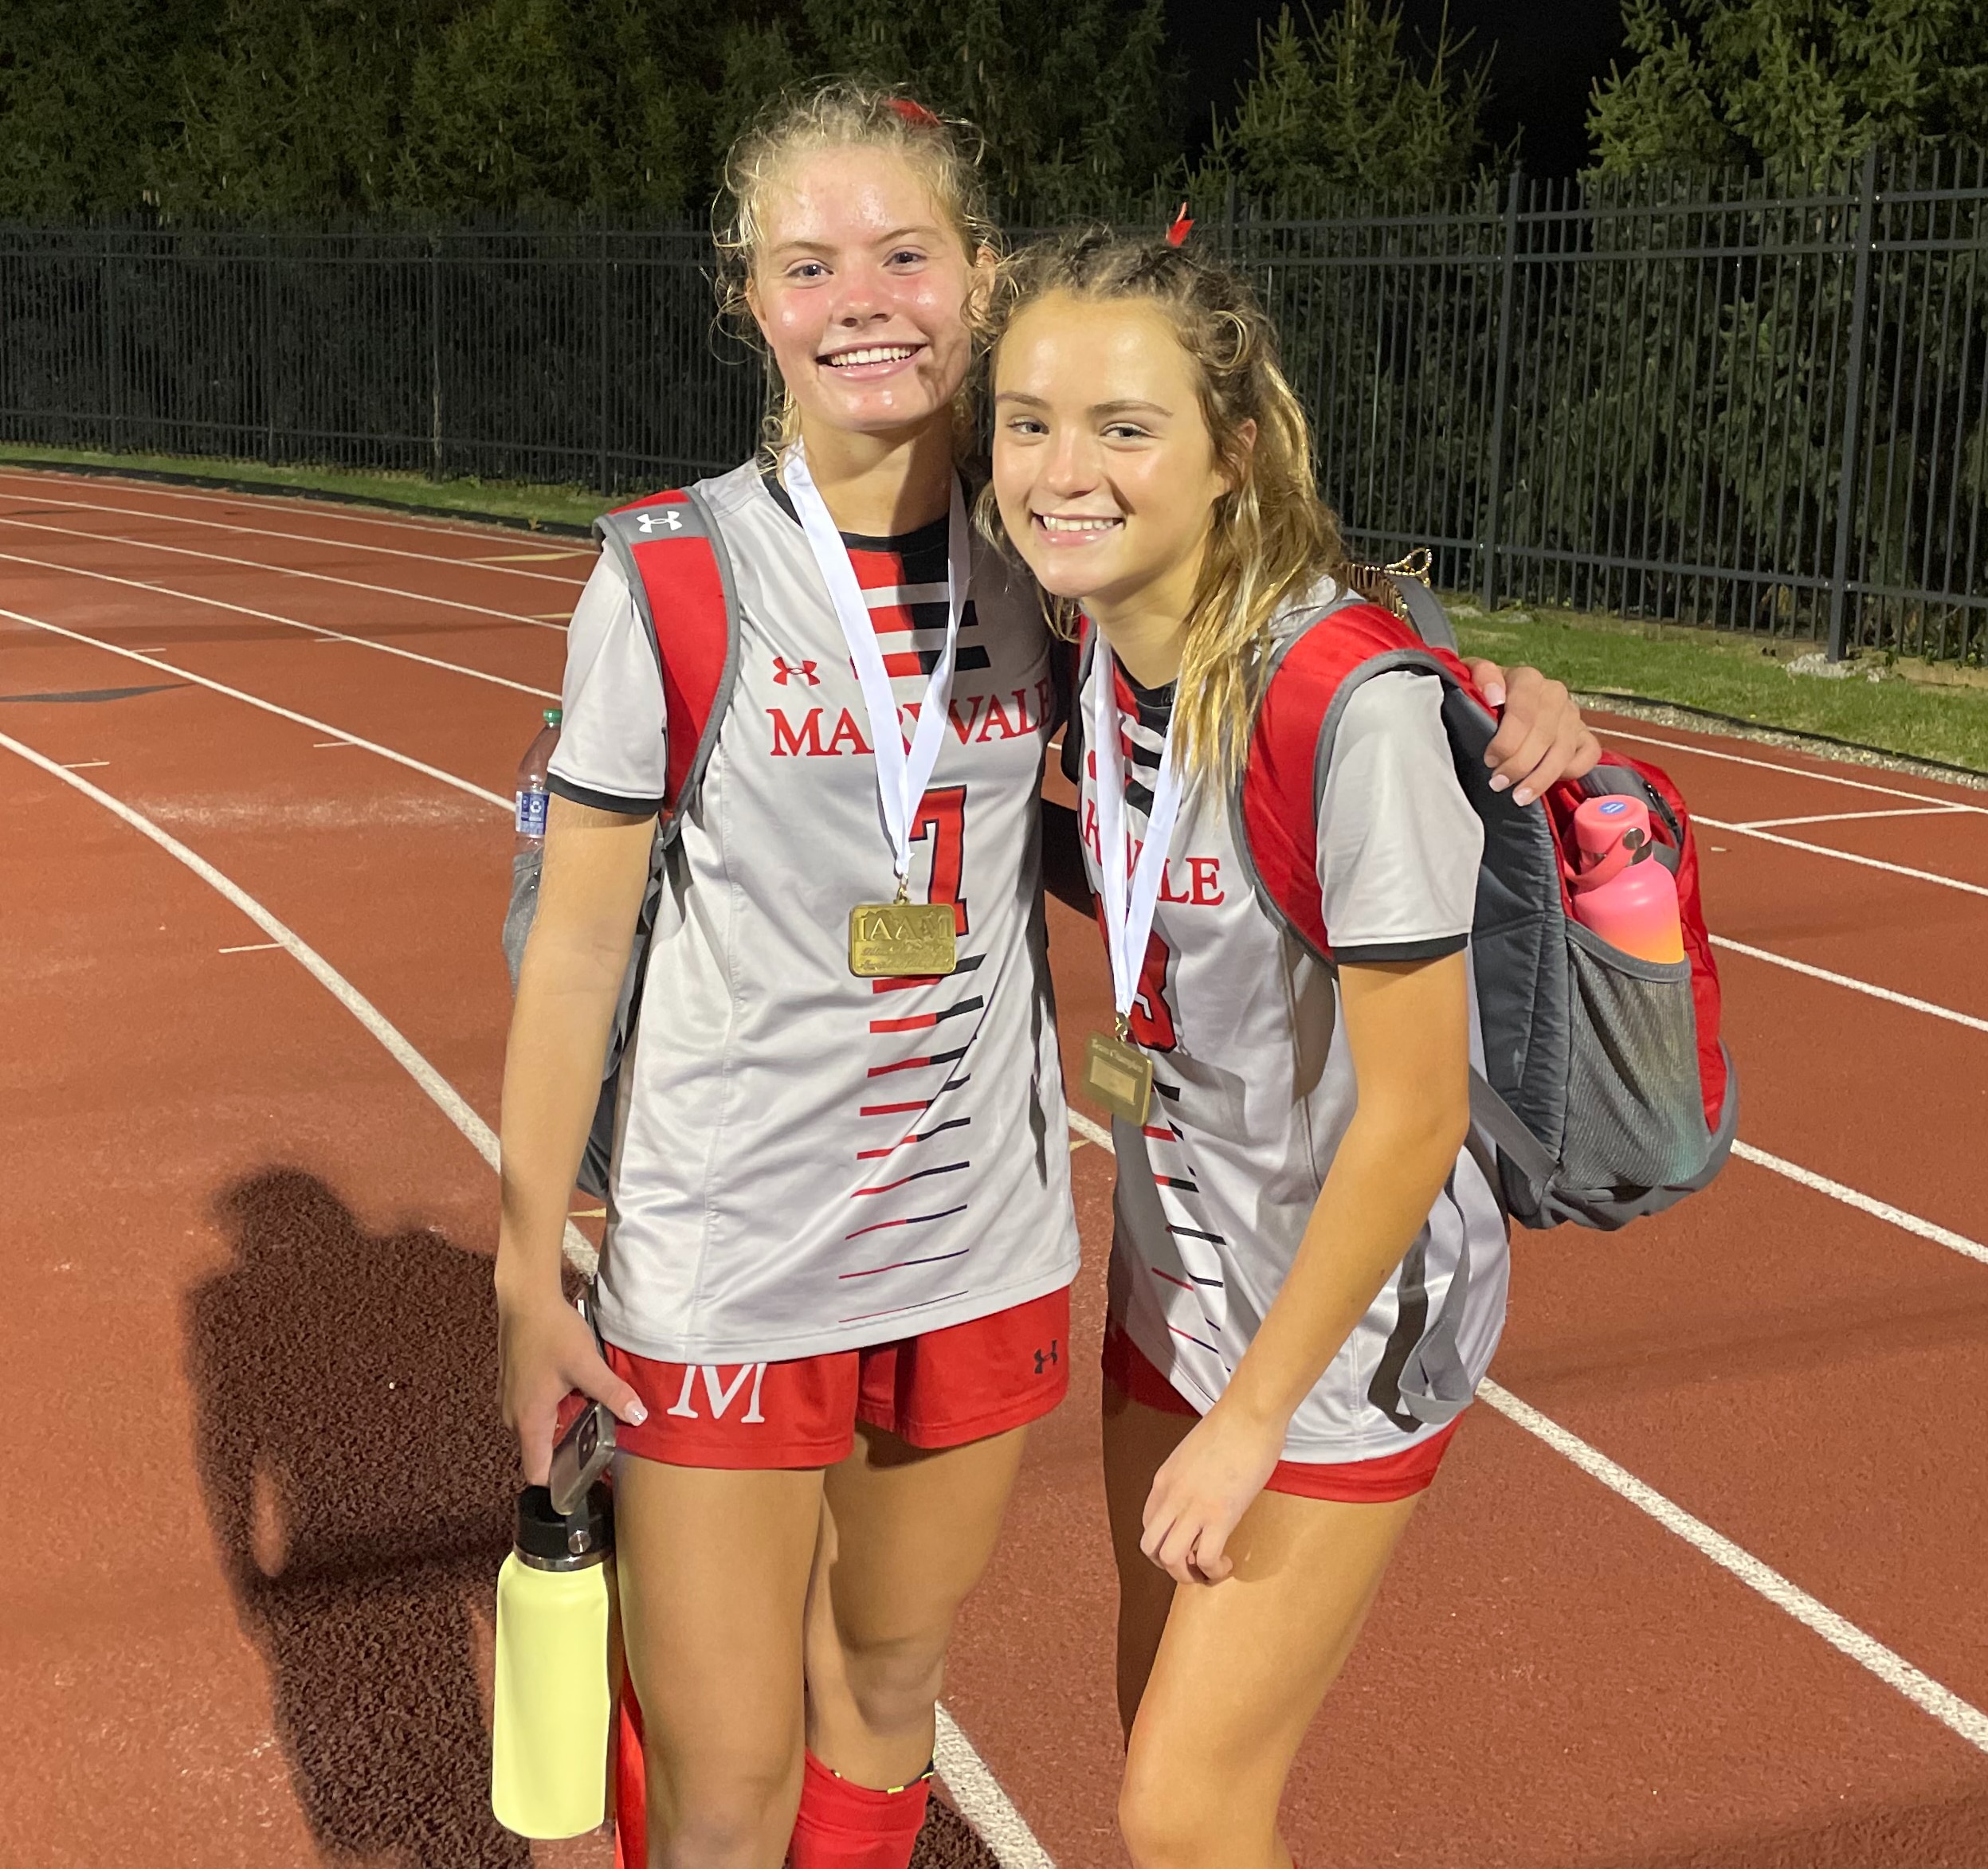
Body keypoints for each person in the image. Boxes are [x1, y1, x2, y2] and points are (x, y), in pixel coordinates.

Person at [496, 85, 1593, 1869]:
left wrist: (1497, 703)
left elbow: (1285, 636)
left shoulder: (1043, 567)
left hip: (983, 1250)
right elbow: (577, 943)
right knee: (733, 1783)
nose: (863, 294)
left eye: (908, 251)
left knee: (914, 1705)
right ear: (747, 296)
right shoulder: (690, 579)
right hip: (735, 1258)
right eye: (808, 260)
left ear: (976, 273)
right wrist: (523, 1251)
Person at [984, 227, 1521, 1869]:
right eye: (1026, 420)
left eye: (1124, 426)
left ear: (1235, 453)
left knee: (1185, 1807)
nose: (1063, 472)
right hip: (1173, 1286)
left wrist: (1256, 1417)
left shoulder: (1342, 711)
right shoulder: (1100, 649)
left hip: (1335, 1345)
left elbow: (1417, 1112)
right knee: (1154, 1733)